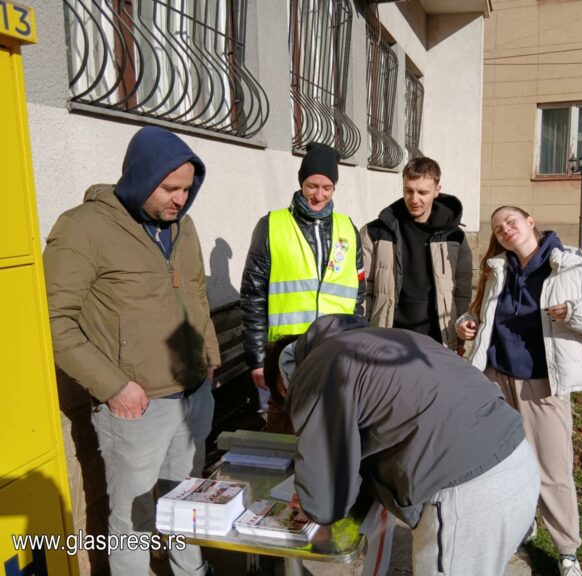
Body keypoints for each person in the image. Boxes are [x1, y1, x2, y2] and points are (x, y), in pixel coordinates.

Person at [44, 127, 220, 576]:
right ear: (141, 176)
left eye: (186, 188)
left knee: (186, 505)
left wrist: (210, 361)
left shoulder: (184, 226)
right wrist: (115, 386)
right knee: (133, 520)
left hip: (193, 393)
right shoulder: (84, 228)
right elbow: (53, 319)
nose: (179, 199)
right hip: (135, 407)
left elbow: (195, 292)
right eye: (169, 188)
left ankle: (190, 571)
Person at [263, 314, 541, 576]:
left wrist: (314, 504)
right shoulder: (381, 338)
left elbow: (327, 487)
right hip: (517, 460)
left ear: (284, 382)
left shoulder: (317, 368)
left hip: (468, 496)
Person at [456, 206, 582, 576]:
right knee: (502, 464)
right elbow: (478, 315)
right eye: (499, 229)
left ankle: (567, 551)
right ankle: (521, 523)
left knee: (552, 469)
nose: (505, 230)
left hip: (541, 382)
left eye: (511, 222)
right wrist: (464, 325)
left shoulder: (567, 267)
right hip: (494, 380)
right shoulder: (498, 269)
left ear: (531, 222)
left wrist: (575, 312)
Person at [240, 142, 365, 420]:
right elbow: (253, 296)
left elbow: (358, 295)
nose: (318, 195)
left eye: (326, 187)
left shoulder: (348, 229)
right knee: (285, 432)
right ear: (301, 183)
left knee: (330, 430)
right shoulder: (271, 226)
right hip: (285, 357)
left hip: (335, 353)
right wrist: (258, 359)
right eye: (312, 185)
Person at [361, 157, 472, 352]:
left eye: (422, 192)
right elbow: (363, 288)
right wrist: (364, 333)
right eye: (408, 190)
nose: (414, 199)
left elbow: (462, 292)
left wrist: (459, 336)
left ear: (437, 190)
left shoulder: (454, 236)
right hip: (388, 338)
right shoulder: (376, 231)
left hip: (438, 340)